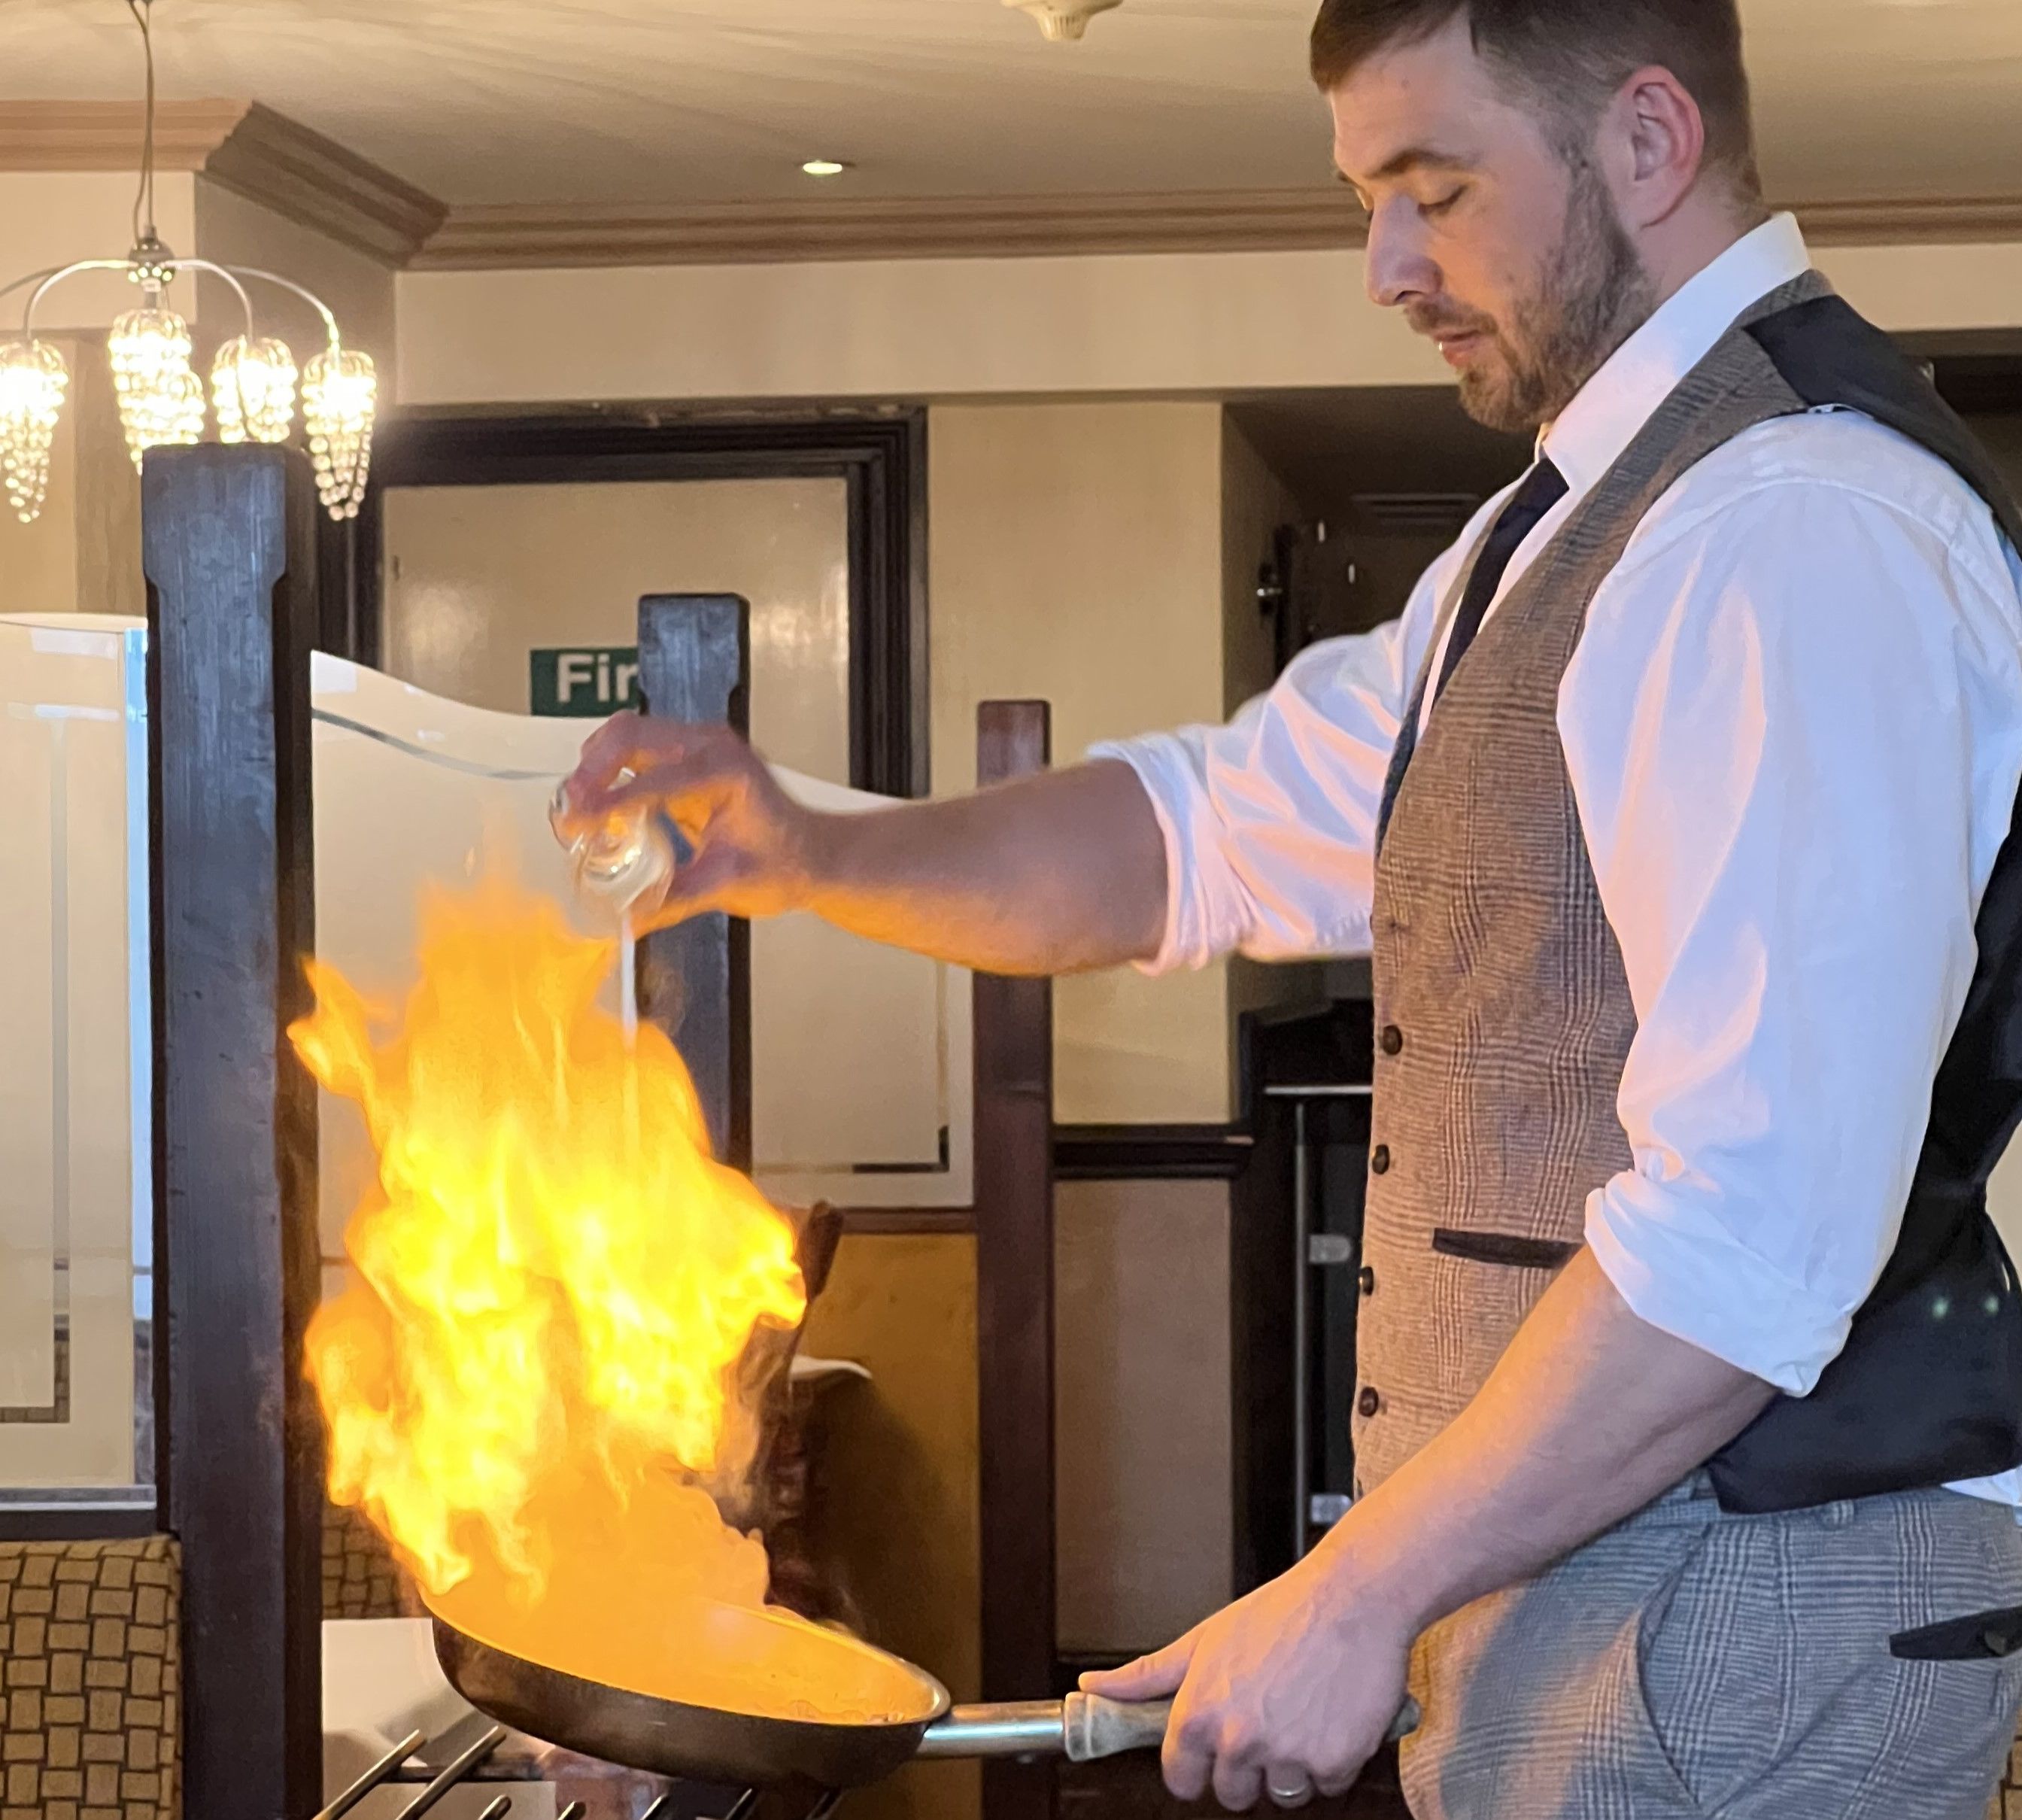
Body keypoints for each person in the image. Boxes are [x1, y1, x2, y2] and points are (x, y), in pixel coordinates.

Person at [560, 1, 2022, 1812]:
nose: (1383, 265)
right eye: (1366, 199)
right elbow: (1194, 834)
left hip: (1746, 1616)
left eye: (1434, 190)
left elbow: (1753, 1231)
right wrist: (809, 849)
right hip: (1593, 1605)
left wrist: (1358, 1586)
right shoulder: (1544, 537)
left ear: (1648, 143)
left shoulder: (1793, 526)